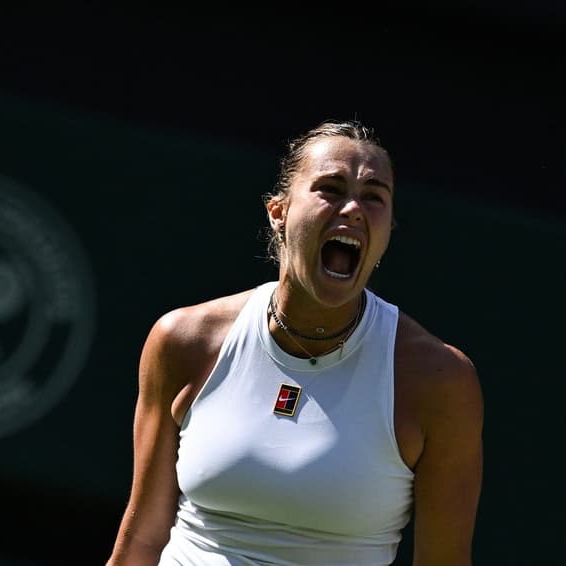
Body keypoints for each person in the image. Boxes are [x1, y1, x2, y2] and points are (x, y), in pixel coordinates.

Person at [106, 119, 484, 565]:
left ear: (386, 233)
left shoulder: (440, 380)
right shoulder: (183, 341)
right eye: (330, 188)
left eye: (374, 196)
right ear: (279, 212)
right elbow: (143, 541)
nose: (353, 209)